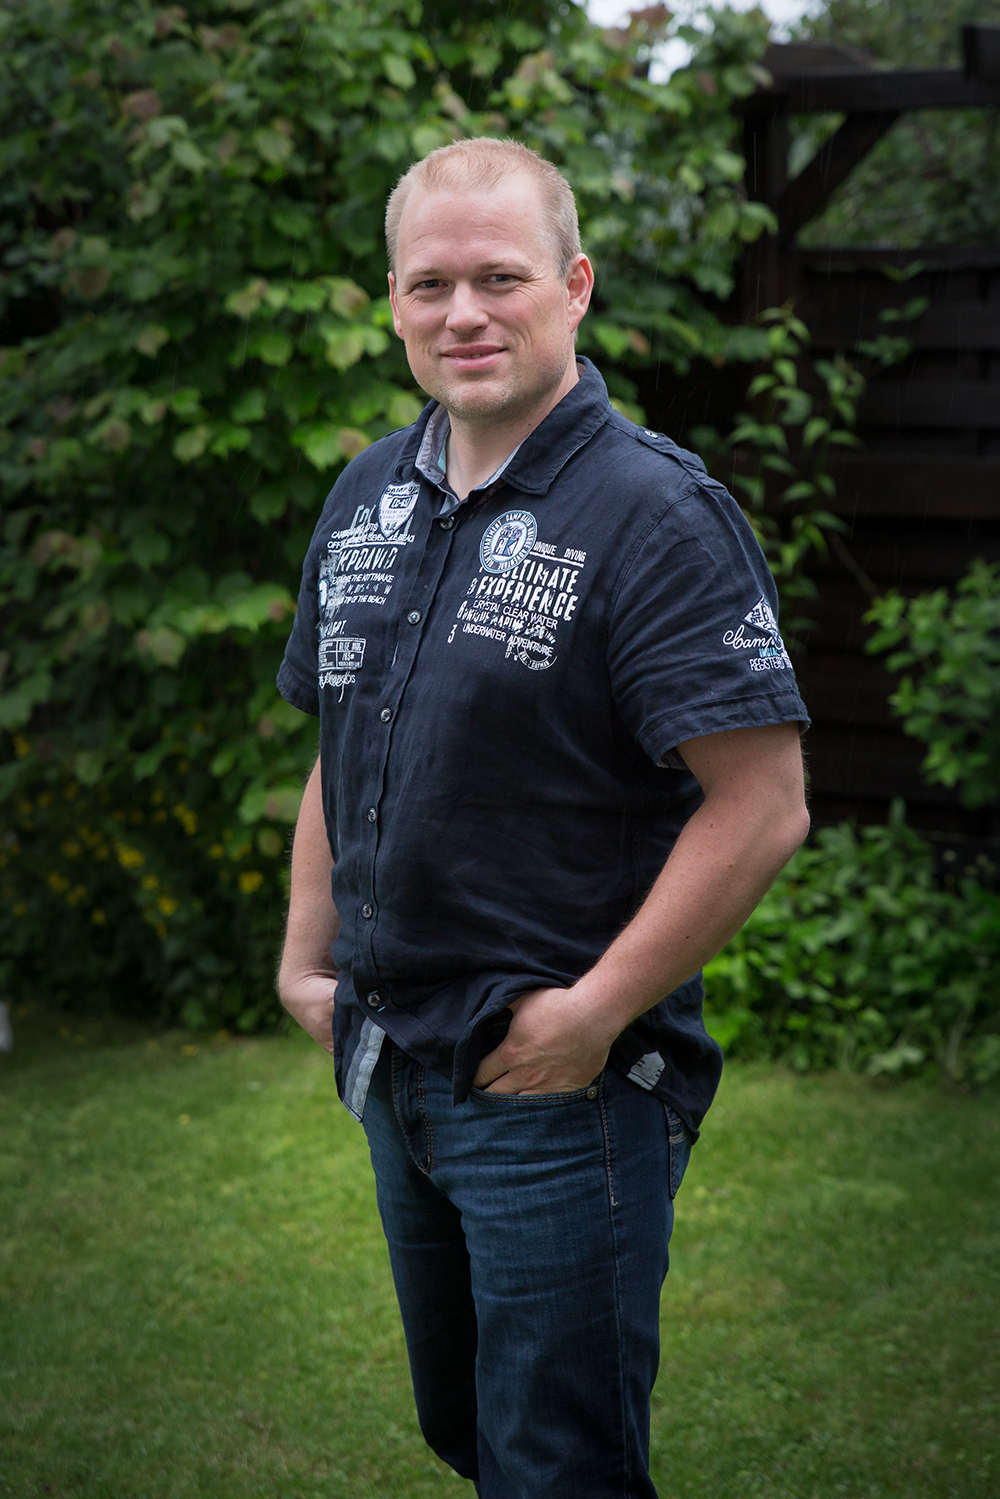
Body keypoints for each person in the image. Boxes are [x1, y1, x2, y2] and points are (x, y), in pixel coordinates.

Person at [276, 138, 810, 1498]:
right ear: (393, 304)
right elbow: (342, 738)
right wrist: (304, 960)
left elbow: (763, 807)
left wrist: (591, 1015)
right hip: (396, 1060)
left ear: (574, 288)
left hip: (558, 1090)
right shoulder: (368, 495)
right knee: (468, 1431)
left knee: (558, 1465)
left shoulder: (656, 513)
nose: (464, 313)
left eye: (500, 278)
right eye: (431, 284)